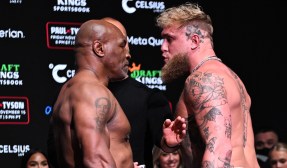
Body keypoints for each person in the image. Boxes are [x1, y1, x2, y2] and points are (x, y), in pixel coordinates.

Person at [50, 18, 186, 168]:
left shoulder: (69, 89)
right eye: (122, 45)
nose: (128, 54)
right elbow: (96, 162)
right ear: (99, 48)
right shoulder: (92, 92)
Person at [155, 2, 259, 168]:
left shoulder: (204, 80)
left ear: (194, 40)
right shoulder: (231, 76)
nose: (163, 47)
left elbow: (219, 149)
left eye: (169, 39)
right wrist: (170, 144)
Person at [104, 17, 174, 167]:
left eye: (125, 42)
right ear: (98, 47)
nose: (126, 50)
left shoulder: (149, 97)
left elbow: (166, 142)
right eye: (119, 42)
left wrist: (169, 143)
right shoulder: (74, 95)